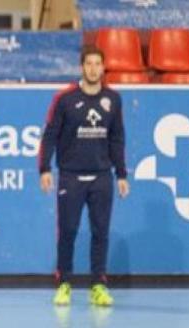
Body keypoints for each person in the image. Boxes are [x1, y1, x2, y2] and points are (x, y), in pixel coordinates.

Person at [38, 45, 128, 307]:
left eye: (97, 64)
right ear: (82, 67)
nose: (92, 69)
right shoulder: (65, 99)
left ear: (103, 68)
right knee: (68, 231)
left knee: (101, 232)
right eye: (88, 64)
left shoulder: (113, 99)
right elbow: (50, 136)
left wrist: (121, 174)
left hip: (102, 177)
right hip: (70, 176)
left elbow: (117, 138)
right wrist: (44, 169)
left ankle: (98, 285)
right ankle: (64, 283)